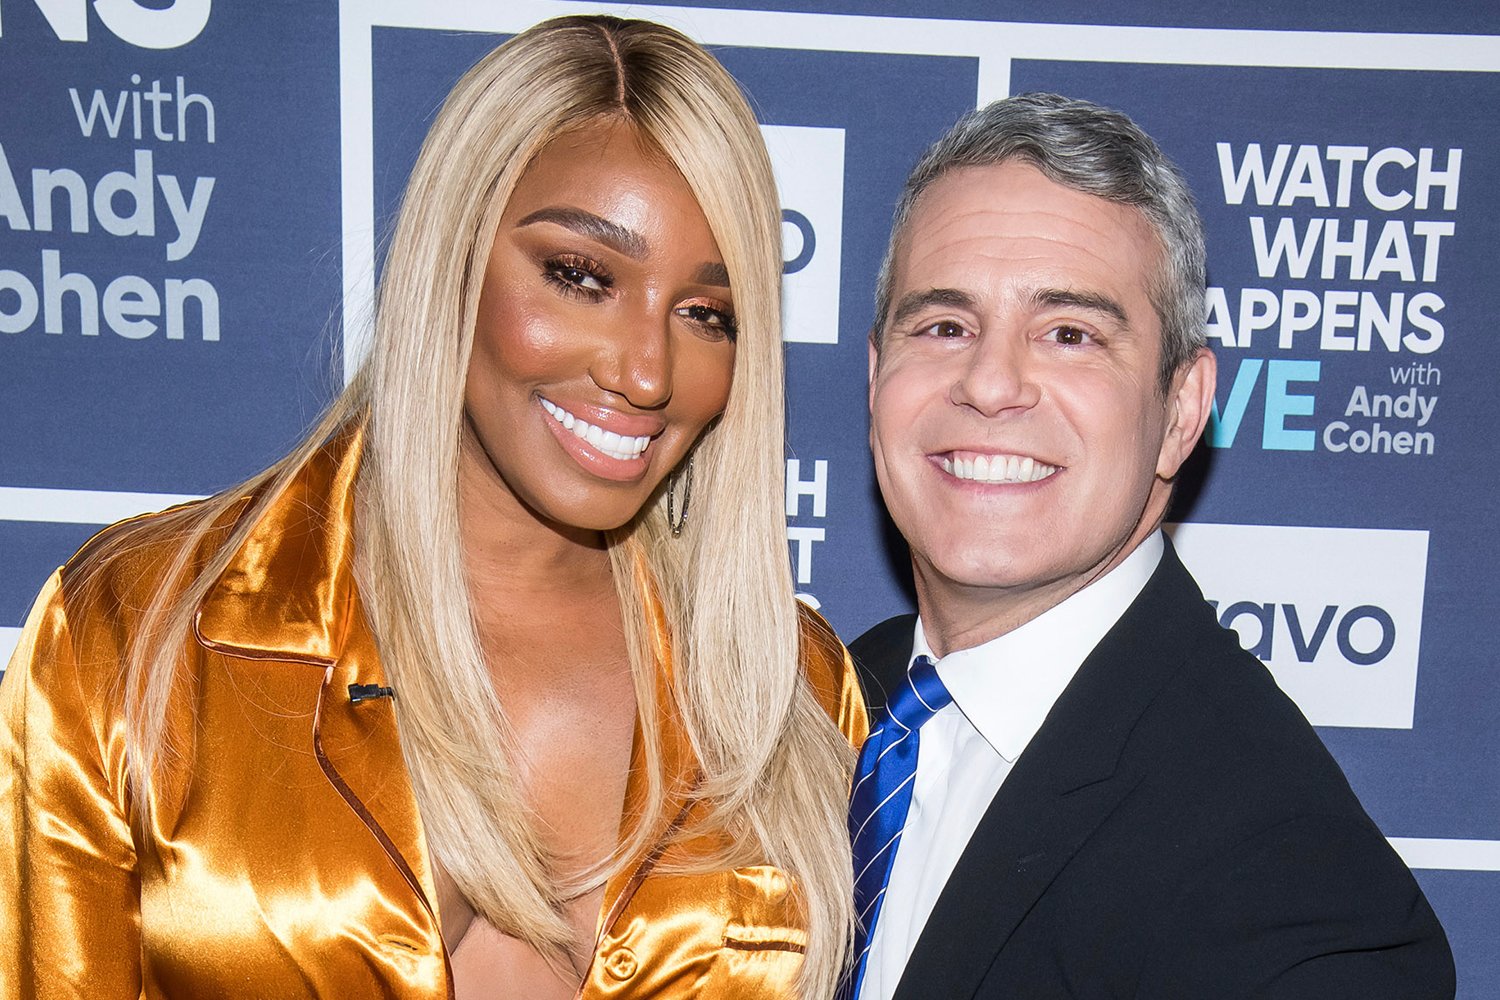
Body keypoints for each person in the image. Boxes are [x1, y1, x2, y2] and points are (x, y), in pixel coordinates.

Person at [0, 16, 867, 1000]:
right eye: (581, 277)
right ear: (451, 258)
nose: (646, 370)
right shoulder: (139, 629)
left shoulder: (788, 686)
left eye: (706, 314)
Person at [848, 92, 1453, 1000]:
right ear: (873, 376)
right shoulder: (830, 706)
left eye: (1070, 334)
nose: (990, 381)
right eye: (943, 325)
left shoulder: (1302, 901)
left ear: (1179, 412)